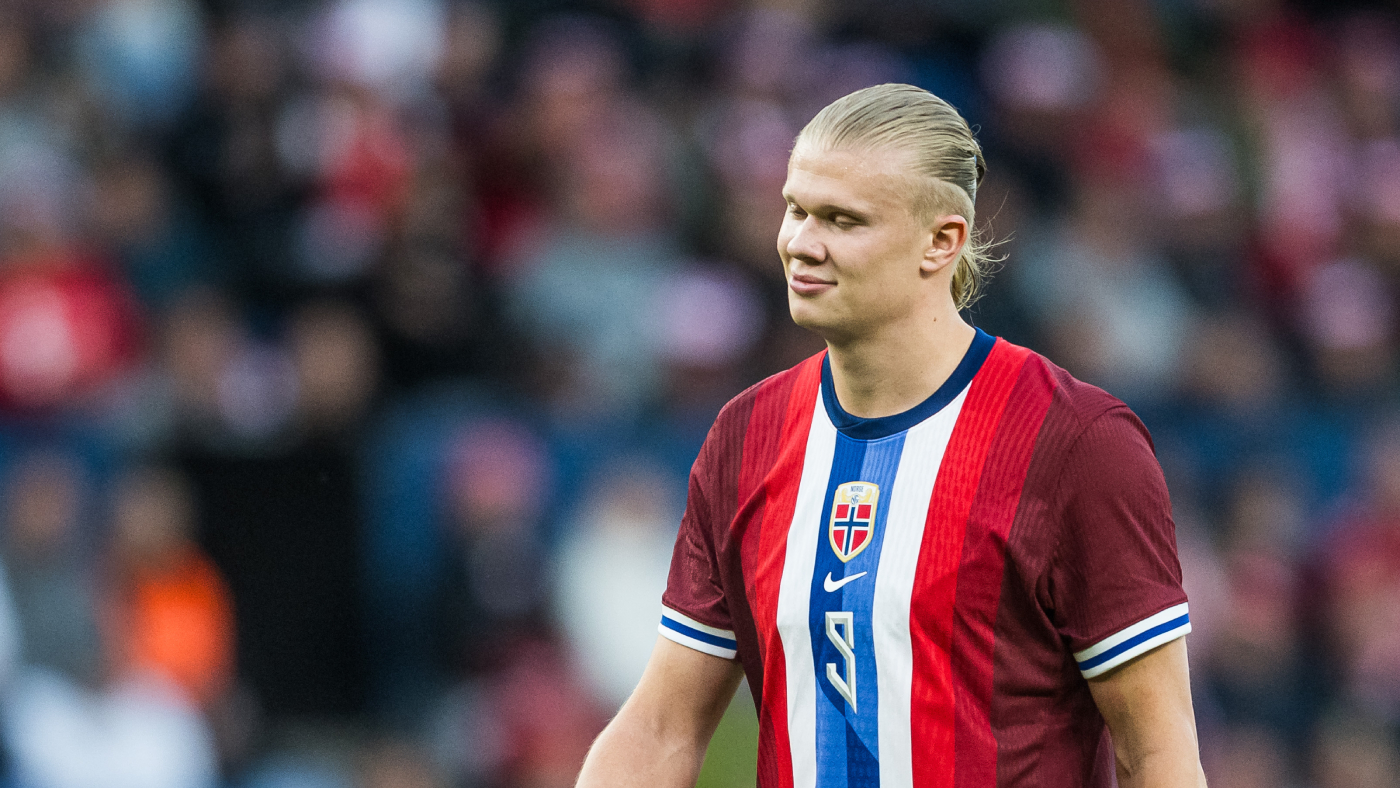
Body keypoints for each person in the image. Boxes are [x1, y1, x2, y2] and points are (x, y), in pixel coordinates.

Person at [575, 84, 1206, 788]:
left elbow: (1157, 750)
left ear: (941, 242)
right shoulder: (745, 438)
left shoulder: (1076, 443)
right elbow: (661, 727)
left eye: (842, 220)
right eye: (796, 209)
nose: (801, 243)